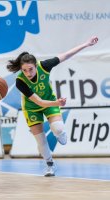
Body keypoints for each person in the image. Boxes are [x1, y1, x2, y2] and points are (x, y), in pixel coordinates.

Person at [7, 36, 98, 176]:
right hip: (32, 107)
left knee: (58, 129)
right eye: (24, 70)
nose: (28, 73)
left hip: (49, 100)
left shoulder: (45, 65)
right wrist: (58, 103)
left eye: (30, 69)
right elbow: (39, 102)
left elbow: (66, 55)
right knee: (40, 139)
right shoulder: (20, 81)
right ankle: (50, 164)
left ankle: (60, 131)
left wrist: (86, 44)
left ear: (36, 65)